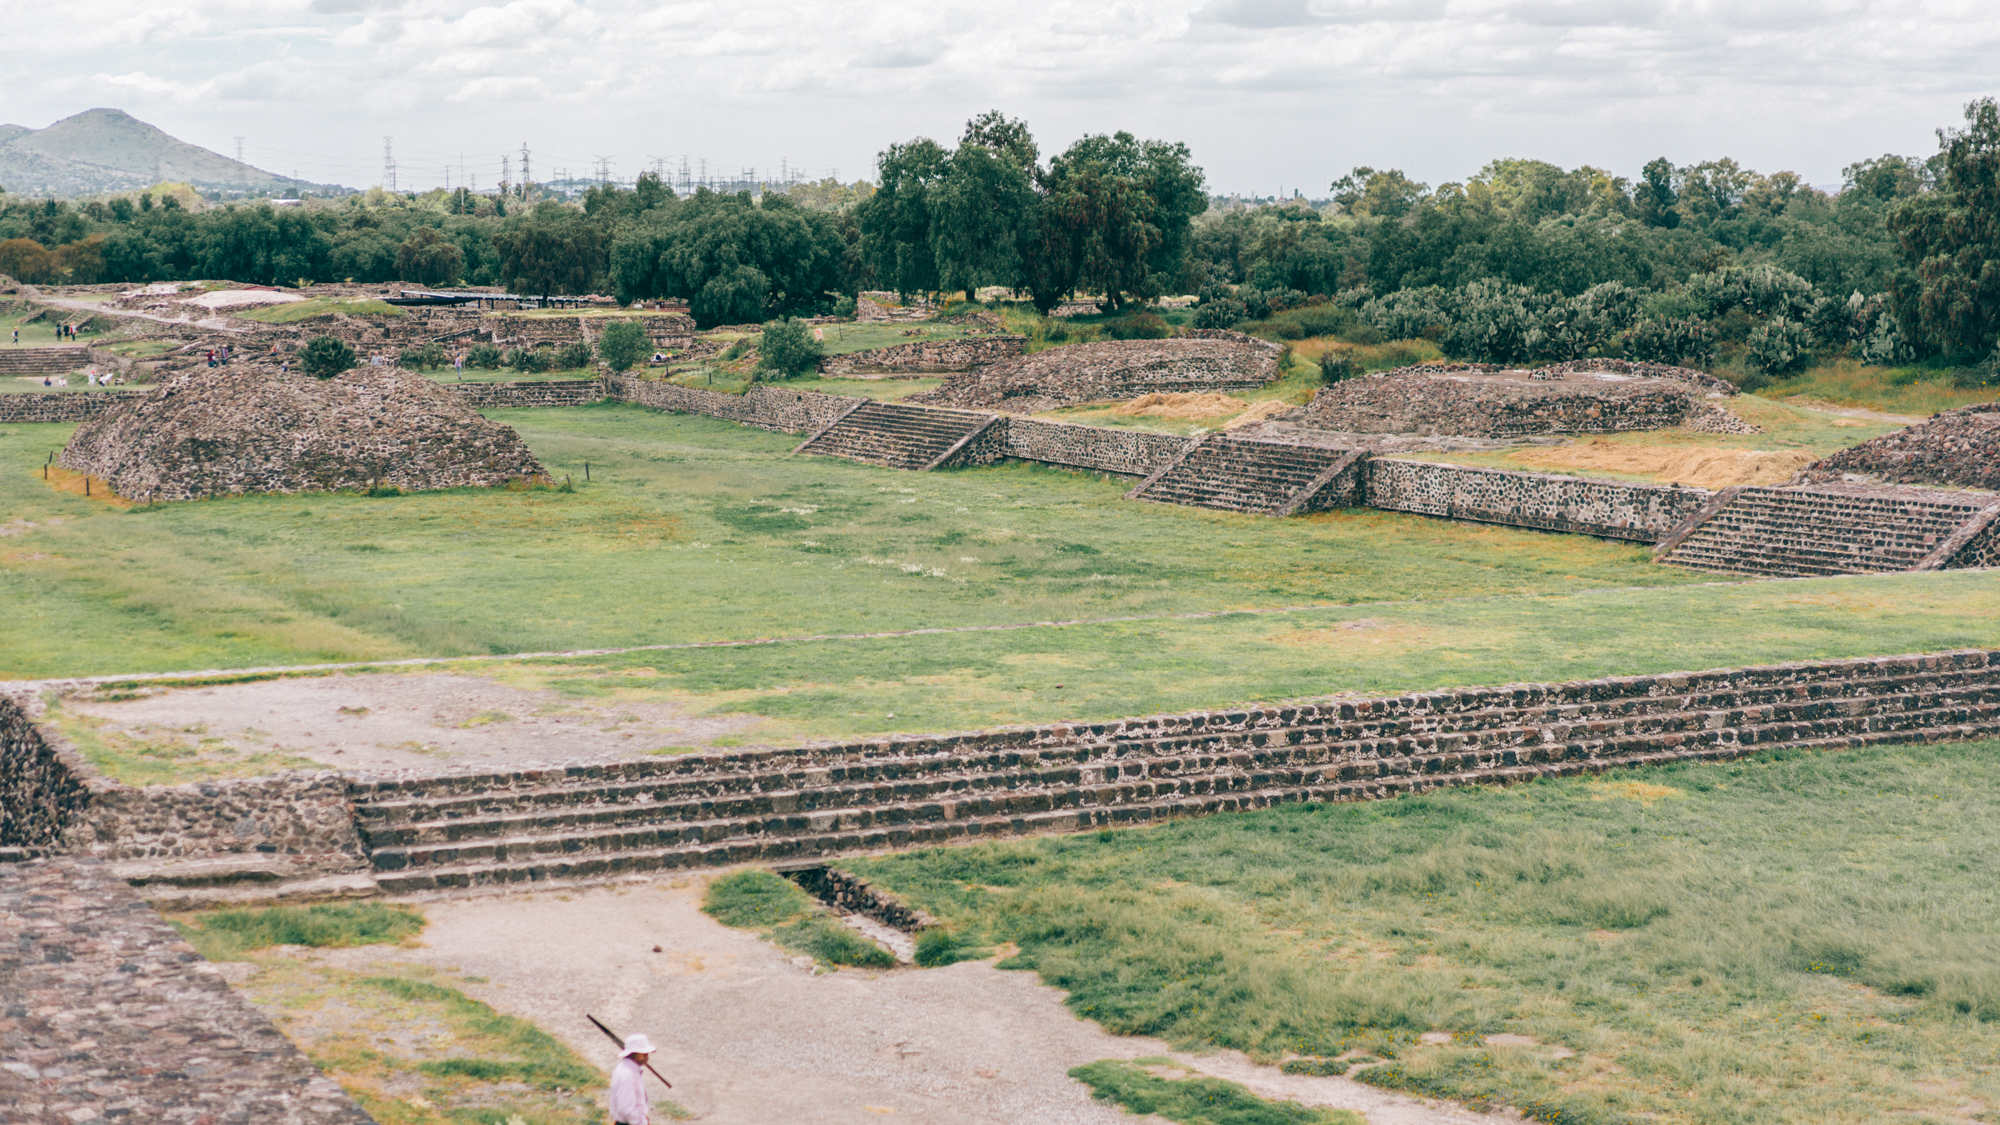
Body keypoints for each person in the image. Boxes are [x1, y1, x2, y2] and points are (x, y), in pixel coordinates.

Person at [608, 1033, 656, 1125]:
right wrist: (640, 1122)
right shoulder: (628, 1075)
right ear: (633, 1054)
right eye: (643, 1054)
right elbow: (625, 1108)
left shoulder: (625, 1068)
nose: (647, 1057)